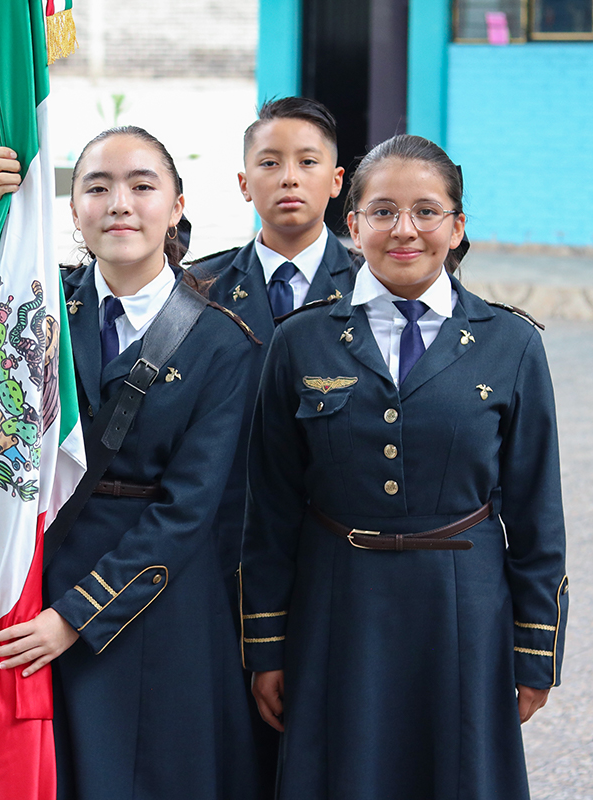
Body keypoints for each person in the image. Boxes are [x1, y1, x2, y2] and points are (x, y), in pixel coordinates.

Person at [241, 134, 569, 800]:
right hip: (339, 601)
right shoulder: (300, 339)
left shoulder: (511, 343)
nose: (405, 230)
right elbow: (269, 510)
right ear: (353, 223)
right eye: (383, 211)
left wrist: (535, 651)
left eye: (426, 210)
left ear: (457, 225)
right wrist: (267, 647)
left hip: (465, 608)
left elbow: (537, 515)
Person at [0, 126, 260, 799]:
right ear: (72, 210)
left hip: (160, 607)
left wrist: (75, 617)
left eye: (142, 186)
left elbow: (190, 509)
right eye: (98, 186)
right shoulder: (39, 307)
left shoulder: (223, 341)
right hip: (37, 586)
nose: (120, 202)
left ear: (176, 206)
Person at [191, 95, 359, 798]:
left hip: (336, 565)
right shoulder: (195, 291)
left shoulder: (378, 289)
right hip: (214, 559)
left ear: (338, 180)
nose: (288, 177)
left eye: (307, 162)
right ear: (242, 183)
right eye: (269, 162)